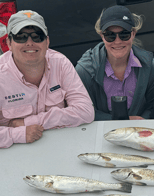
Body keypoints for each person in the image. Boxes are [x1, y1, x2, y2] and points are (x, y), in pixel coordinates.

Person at [0, 10, 94, 149]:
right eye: (21, 37)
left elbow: (86, 111)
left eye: (37, 36)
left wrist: (28, 122)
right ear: (9, 43)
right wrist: (18, 134)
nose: (30, 43)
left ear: (47, 41)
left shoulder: (60, 62)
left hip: (60, 146)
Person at [75, 5, 154, 121]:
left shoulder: (149, 66)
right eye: (110, 36)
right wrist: (122, 122)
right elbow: (82, 111)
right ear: (102, 36)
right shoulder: (85, 71)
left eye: (124, 34)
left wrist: (141, 121)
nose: (118, 41)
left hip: (138, 131)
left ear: (133, 34)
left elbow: (153, 106)